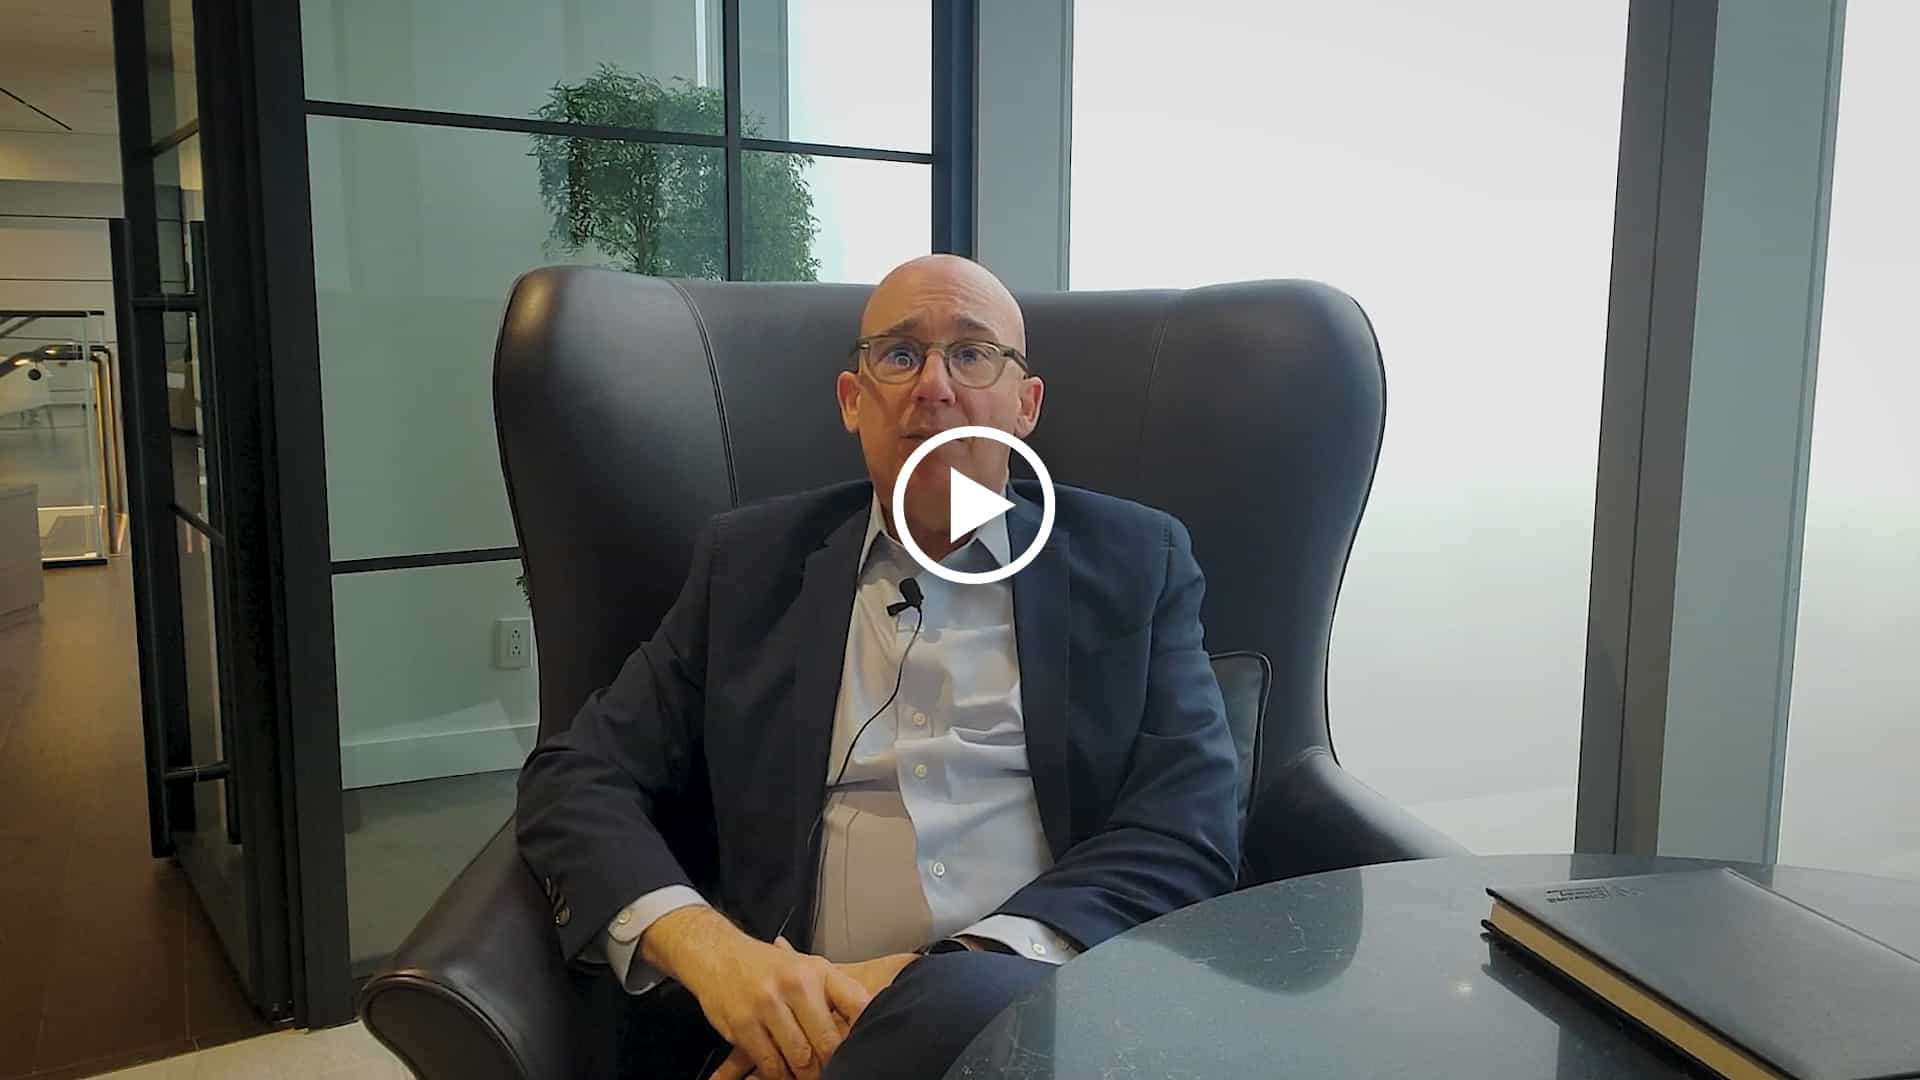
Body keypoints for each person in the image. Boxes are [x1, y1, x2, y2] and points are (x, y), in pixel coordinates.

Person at [516, 254, 1240, 1079]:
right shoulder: (749, 567)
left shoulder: (1139, 561)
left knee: (962, 1010)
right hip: (783, 1015)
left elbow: (1188, 829)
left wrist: (907, 986)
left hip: (1044, 1011)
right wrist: (715, 954)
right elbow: (576, 777)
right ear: (852, 402)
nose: (934, 385)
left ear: (1025, 405)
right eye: (899, 355)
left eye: (973, 354)